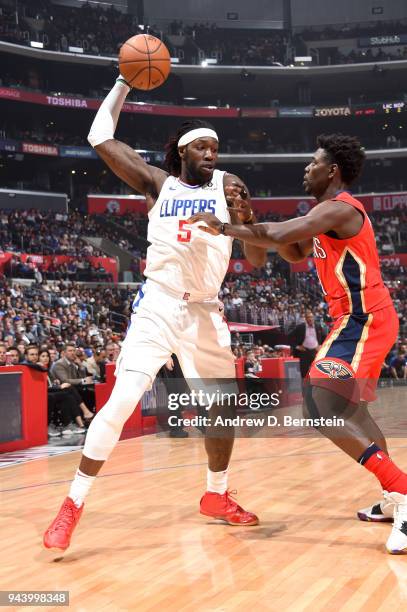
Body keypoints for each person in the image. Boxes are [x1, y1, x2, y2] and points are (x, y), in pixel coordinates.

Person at [43, 75, 266, 552]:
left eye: (215, 148)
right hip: (159, 304)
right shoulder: (157, 184)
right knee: (122, 401)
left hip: (207, 312)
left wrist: (241, 223)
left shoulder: (231, 186)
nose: (211, 154)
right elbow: (99, 136)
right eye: (202, 147)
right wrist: (124, 81)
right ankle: (72, 504)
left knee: (223, 413)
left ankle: (216, 494)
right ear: (183, 153)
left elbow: (258, 259)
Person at [189, 133, 407, 554]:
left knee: (319, 404)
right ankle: (392, 494)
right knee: (350, 411)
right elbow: (291, 250)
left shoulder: (341, 209)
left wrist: (226, 226)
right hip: (359, 320)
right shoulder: (323, 213)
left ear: (332, 171)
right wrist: (246, 215)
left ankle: (403, 491)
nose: (305, 168)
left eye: (313, 162)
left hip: (364, 318)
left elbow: (284, 232)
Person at [289, 310, 327, 378]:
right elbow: (290, 337)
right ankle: (305, 387)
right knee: (304, 373)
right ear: (305, 319)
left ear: (313, 318)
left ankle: (316, 387)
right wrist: (297, 347)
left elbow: (325, 336)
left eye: (311, 317)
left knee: (317, 371)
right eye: (308, 317)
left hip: (315, 352)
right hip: (304, 352)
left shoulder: (318, 326)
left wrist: (321, 346)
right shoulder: (300, 327)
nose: (310, 319)